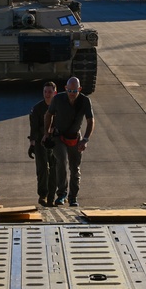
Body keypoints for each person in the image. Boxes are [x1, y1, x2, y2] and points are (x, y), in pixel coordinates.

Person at [43, 76, 94, 207]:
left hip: (75, 137)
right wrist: (46, 133)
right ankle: (61, 194)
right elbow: (48, 115)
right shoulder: (58, 99)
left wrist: (85, 139)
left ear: (79, 89)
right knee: (62, 161)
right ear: (66, 88)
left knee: (75, 168)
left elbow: (90, 121)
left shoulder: (85, 101)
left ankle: (73, 197)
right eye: (69, 91)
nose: (72, 94)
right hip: (59, 137)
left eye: (74, 91)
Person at [28, 82, 58, 206]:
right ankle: (43, 195)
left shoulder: (59, 107)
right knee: (42, 169)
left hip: (56, 141)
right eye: (45, 91)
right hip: (41, 142)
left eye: (50, 92)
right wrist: (32, 143)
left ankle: (52, 196)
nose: (47, 94)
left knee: (55, 169)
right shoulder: (37, 108)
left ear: (55, 93)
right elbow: (34, 127)